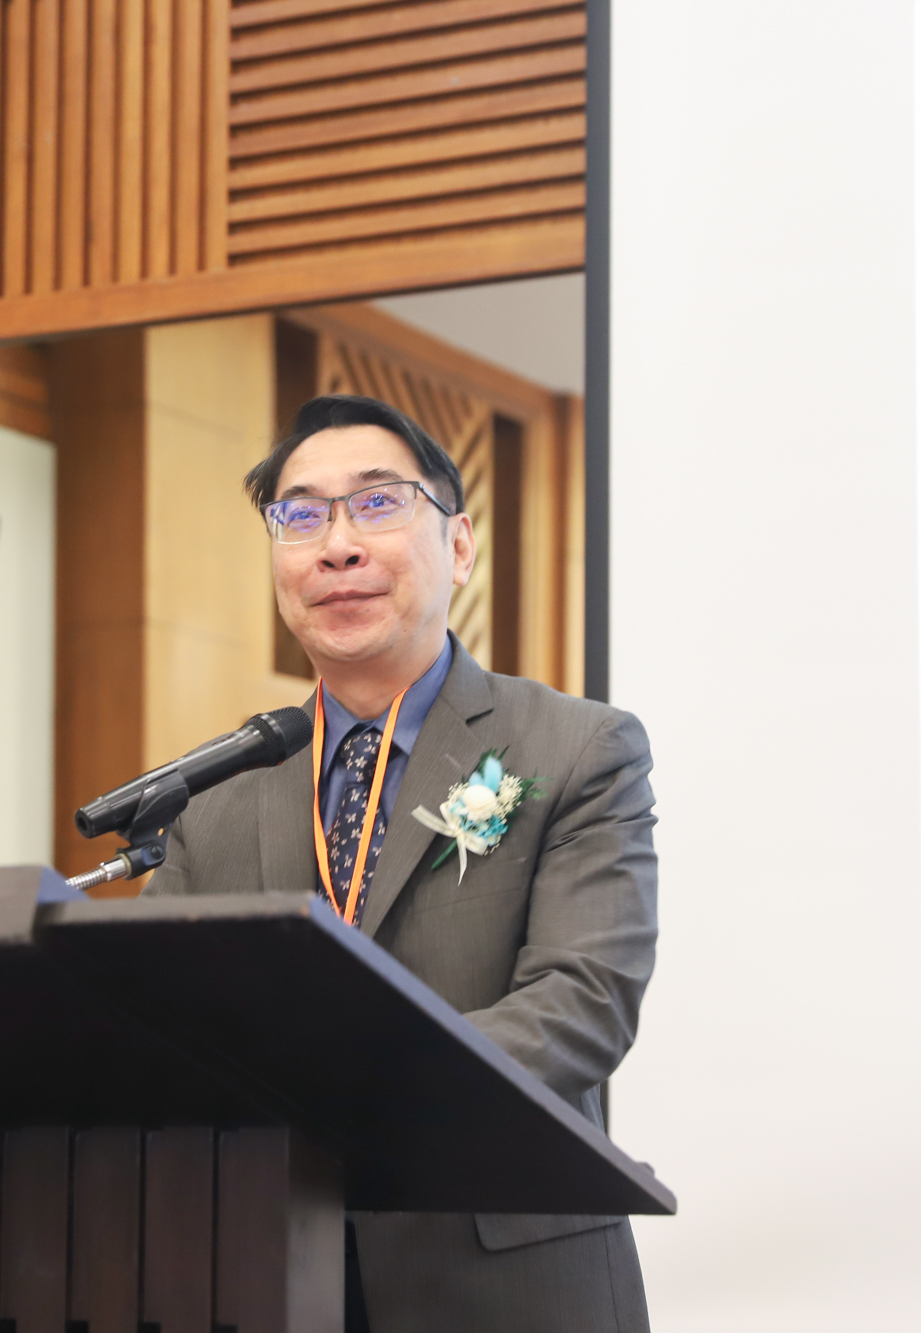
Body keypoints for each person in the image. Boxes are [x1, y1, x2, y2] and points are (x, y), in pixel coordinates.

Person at [144, 394, 658, 1333]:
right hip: (261, 1273)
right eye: (301, 516)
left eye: (377, 503)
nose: (336, 546)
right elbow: (154, 1024)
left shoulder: (577, 747)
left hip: (505, 1283)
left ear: (459, 546)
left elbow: (582, 1001)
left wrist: (355, 1093)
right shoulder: (213, 796)